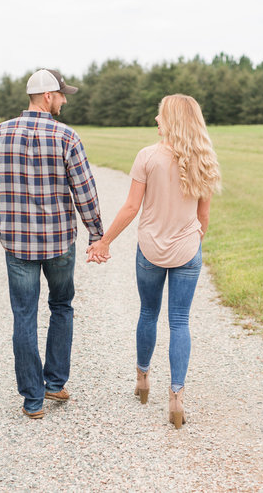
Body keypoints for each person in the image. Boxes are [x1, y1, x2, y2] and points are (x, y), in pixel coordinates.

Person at [87, 94, 221, 429]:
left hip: (149, 250)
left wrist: (104, 242)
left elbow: (132, 208)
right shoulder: (204, 157)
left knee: (148, 312)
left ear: (171, 119)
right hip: (188, 250)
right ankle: (176, 396)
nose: (156, 120)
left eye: (160, 115)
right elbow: (203, 216)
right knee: (180, 322)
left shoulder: (147, 156)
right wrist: (193, 239)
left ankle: (143, 379)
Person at [0, 68, 104, 420]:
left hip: (17, 245)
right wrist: (96, 233)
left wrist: (3, 225)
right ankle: (54, 381)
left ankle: (32, 399)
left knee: (24, 315)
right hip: (59, 242)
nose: (65, 100)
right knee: (61, 306)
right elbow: (85, 191)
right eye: (62, 95)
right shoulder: (66, 136)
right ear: (48, 96)